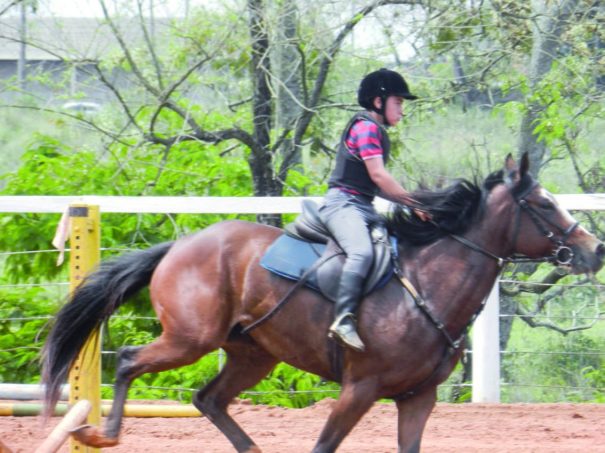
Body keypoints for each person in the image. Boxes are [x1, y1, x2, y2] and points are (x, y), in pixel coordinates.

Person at [319, 68, 431, 352]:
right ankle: (342, 319)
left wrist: (410, 200)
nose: (402, 110)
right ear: (378, 101)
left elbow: (376, 184)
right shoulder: (367, 128)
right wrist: (413, 202)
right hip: (343, 204)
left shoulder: (375, 129)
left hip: (362, 206)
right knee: (362, 252)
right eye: (399, 102)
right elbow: (380, 177)